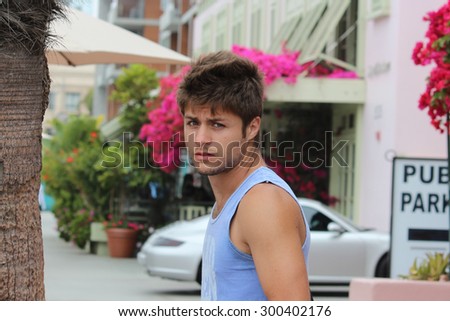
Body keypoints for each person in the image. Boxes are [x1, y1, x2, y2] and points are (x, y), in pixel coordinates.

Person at [177, 51, 311, 301]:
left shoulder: (262, 202)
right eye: (193, 122)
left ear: (251, 127)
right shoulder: (231, 200)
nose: (201, 138)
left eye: (217, 124)